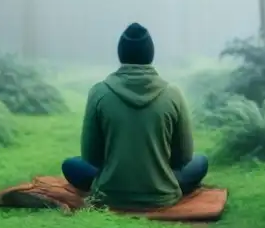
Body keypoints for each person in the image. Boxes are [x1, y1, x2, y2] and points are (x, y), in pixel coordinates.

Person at [61, 22, 209, 209]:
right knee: (200, 161)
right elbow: (184, 157)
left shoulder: (99, 92)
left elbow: (91, 157)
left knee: (71, 165)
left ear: (120, 54)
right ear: (151, 54)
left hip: (110, 192)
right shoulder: (173, 93)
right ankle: (156, 185)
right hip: (162, 191)